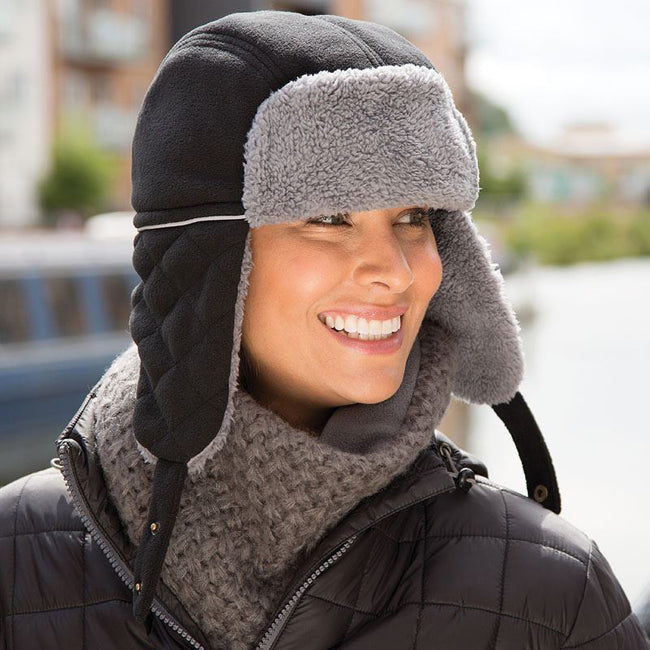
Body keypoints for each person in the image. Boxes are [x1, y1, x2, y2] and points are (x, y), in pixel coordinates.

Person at [0, 9, 648, 650]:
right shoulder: (14, 559)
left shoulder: (551, 596)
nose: (395, 272)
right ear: (204, 264)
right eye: (332, 218)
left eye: (413, 217)